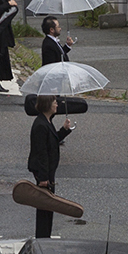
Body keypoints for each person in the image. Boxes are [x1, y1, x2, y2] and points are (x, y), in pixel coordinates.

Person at [27, 95, 74, 239]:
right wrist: (43, 178)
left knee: (48, 207)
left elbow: (52, 142)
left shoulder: (47, 121)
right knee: (44, 208)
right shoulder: (40, 125)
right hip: (44, 175)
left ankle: (45, 237)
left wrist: (64, 130)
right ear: (48, 105)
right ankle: (42, 238)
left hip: (48, 173)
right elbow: (40, 152)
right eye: (54, 102)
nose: (57, 105)